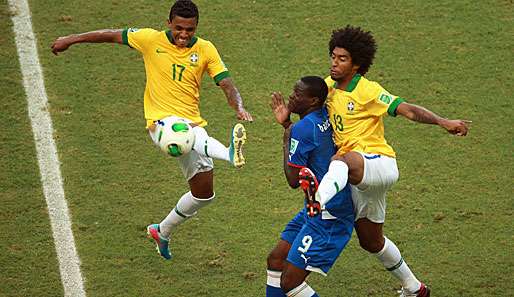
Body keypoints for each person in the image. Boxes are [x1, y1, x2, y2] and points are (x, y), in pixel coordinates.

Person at [51, 0, 253, 260]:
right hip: (159, 124)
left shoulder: (205, 49)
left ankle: (162, 230)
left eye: (189, 30)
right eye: (178, 28)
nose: (183, 34)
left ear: (196, 27)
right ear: (168, 23)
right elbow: (111, 35)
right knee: (186, 135)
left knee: (204, 194)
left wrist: (238, 106)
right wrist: (71, 39)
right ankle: (229, 153)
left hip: (191, 123)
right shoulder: (149, 39)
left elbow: (225, 83)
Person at [306, 25, 470, 296]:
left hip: (377, 163)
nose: (334, 63)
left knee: (343, 160)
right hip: (360, 179)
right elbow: (306, 102)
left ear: (357, 64)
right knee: (371, 241)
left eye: (342, 58)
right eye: (333, 56)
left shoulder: (368, 91)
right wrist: (286, 117)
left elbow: (407, 110)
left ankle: (318, 200)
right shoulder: (328, 87)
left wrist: (443, 121)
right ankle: (415, 287)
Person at [266, 76, 354, 297]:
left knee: (290, 283)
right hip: (315, 207)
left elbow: (293, 180)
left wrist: (287, 135)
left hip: (329, 215)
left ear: (313, 100)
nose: (291, 97)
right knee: (276, 259)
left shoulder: (303, 129)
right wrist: (289, 125)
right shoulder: (325, 114)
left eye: (297, 94)